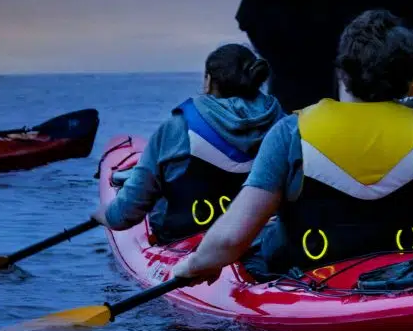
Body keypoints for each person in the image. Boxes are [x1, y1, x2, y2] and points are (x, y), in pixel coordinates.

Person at [173, 11, 413, 286]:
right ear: (405, 80)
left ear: (341, 71)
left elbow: (231, 241)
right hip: (405, 269)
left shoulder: (290, 133)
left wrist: (192, 265)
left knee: (267, 241)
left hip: (311, 278)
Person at [96, 44, 284, 243]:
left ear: (209, 81)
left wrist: (104, 216)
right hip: (263, 238)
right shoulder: (286, 127)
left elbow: (125, 214)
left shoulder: (177, 128)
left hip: (185, 238)